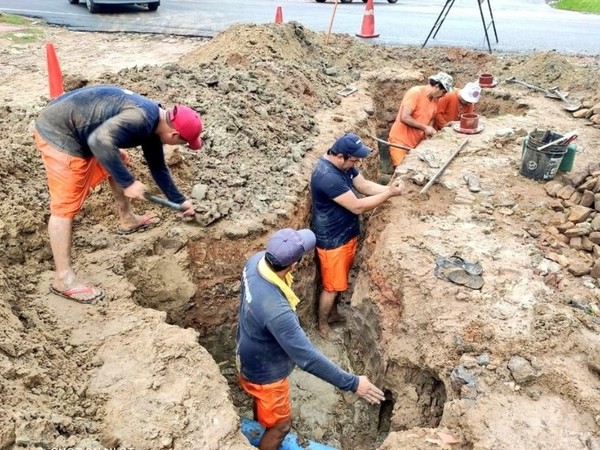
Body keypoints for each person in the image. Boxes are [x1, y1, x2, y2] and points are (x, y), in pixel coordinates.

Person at [34, 85, 202, 304]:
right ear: (175, 135)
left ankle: (127, 219)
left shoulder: (156, 123)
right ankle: (63, 279)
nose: (182, 145)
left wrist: (180, 201)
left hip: (78, 124)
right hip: (60, 131)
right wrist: (128, 182)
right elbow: (98, 141)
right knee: (65, 207)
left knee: (118, 160)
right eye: (184, 143)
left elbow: (158, 167)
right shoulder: (141, 118)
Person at [236, 228, 386, 450]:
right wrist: (353, 383)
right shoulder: (277, 311)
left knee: (263, 405)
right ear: (293, 265)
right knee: (280, 427)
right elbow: (307, 358)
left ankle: (261, 420)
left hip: (247, 351)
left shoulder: (255, 261)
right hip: (265, 373)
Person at [311, 133, 404, 339]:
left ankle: (334, 314)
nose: (357, 163)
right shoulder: (327, 176)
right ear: (341, 156)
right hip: (332, 240)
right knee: (332, 287)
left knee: (339, 281)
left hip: (346, 234)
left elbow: (364, 186)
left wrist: (389, 189)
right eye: (354, 159)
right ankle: (323, 326)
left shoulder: (345, 165)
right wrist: (388, 195)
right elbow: (357, 206)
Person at [387, 72, 454, 168]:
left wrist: (428, 131)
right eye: (444, 92)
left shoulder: (435, 100)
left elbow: (431, 117)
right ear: (437, 86)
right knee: (401, 171)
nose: (444, 95)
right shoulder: (415, 93)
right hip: (400, 141)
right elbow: (404, 117)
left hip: (416, 143)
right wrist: (425, 127)